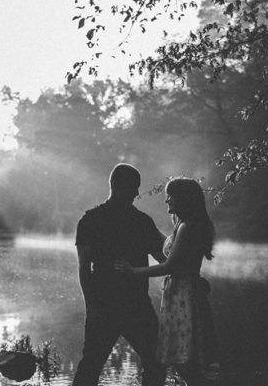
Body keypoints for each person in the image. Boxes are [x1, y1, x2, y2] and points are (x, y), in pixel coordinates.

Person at [115, 177, 217, 386]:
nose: (166, 200)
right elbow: (172, 249)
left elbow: (170, 266)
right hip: (181, 293)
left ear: (182, 199)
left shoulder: (187, 228)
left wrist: (133, 271)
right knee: (185, 360)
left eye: (170, 196)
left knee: (184, 360)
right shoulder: (185, 226)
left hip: (183, 296)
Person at [73, 163, 167, 386]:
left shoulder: (143, 221)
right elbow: (83, 267)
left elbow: (165, 260)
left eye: (138, 187)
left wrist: (185, 253)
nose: (136, 192)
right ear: (115, 185)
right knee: (91, 366)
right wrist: (91, 307)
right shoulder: (90, 220)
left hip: (137, 304)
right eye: (132, 187)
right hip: (103, 305)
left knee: (155, 360)